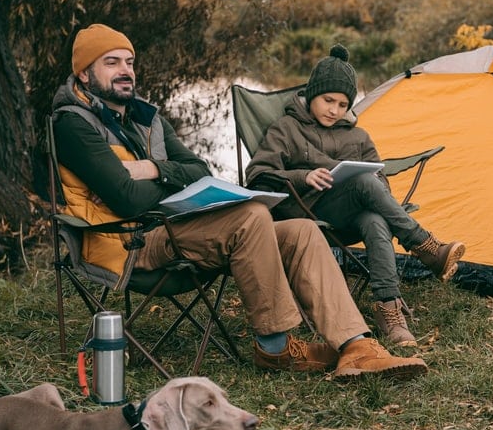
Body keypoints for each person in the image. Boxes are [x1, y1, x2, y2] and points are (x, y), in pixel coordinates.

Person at [51, 24, 427, 380]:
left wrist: (150, 169)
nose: (125, 71)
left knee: (302, 230)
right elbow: (127, 200)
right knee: (250, 214)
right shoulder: (72, 123)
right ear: (84, 74)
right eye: (111, 62)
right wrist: (162, 177)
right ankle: (275, 346)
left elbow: (199, 169)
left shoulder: (146, 118)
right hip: (127, 242)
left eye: (129, 62)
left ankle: (355, 347)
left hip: (178, 228)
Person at [244, 44, 465, 347]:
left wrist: (375, 183)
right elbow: (258, 174)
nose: (334, 110)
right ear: (312, 94)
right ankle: (424, 245)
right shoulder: (287, 128)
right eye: (328, 100)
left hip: (347, 212)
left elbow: (380, 181)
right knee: (364, 183)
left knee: (375, 218)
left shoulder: (359, 136)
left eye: (343, 103)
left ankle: (389, 308)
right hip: (306, 212)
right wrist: (303, 175)